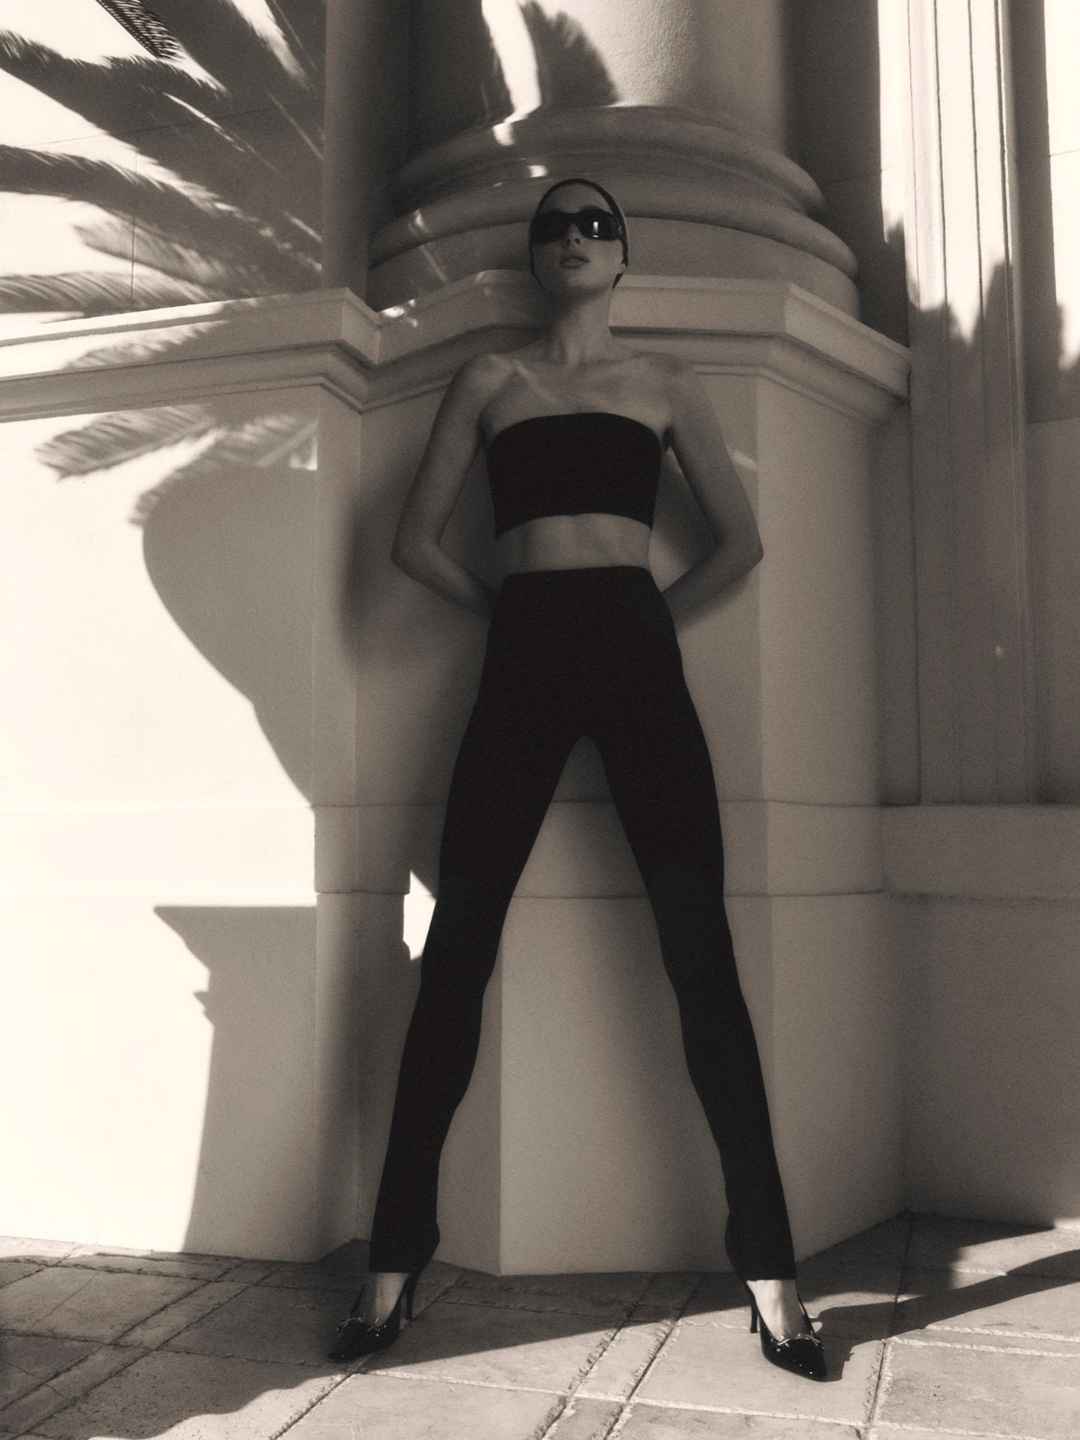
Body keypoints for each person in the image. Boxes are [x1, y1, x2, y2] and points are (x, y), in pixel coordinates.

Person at [328, 178, 826, 1382]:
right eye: (556, 225)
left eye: (599, 224)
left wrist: (645, 621)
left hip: (634, 642)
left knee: (699, 950)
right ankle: (393, 1262)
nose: (576, 238)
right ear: (538, 257)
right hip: (526, 644)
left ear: (624, 255)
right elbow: (411, 542)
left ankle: (772, 1273)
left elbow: (741, 543)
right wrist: (511, 612)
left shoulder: (664, 383)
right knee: (458, 943)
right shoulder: (490, 379)